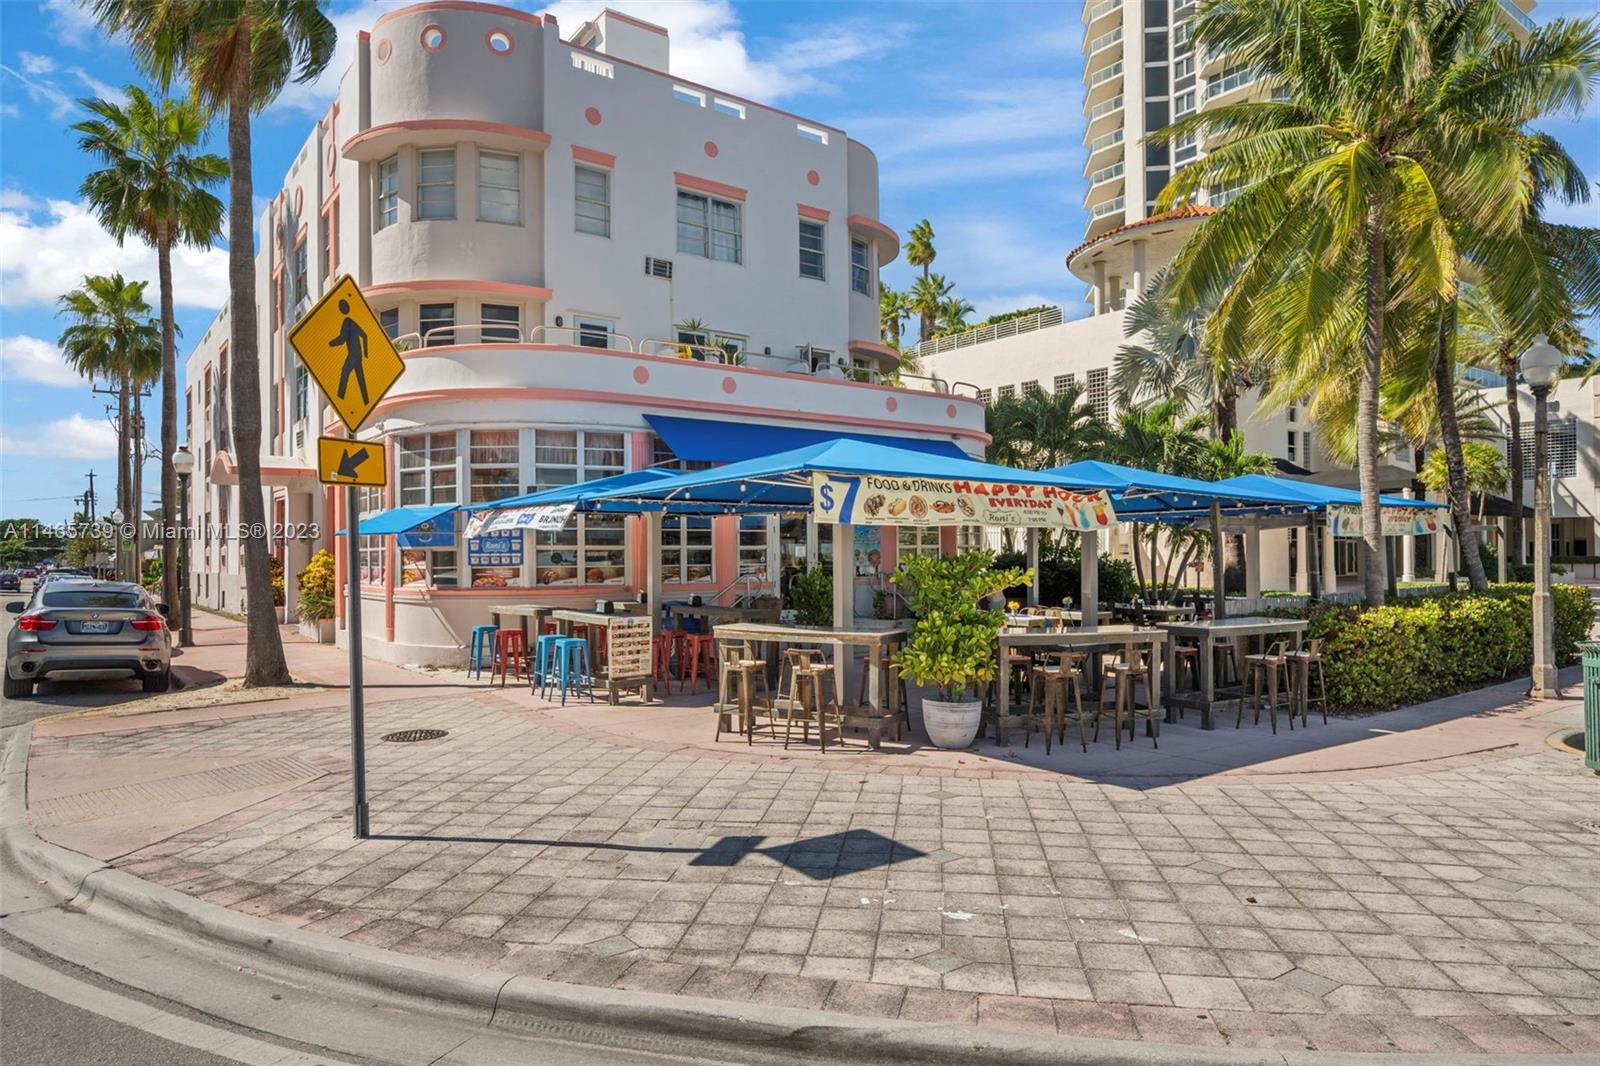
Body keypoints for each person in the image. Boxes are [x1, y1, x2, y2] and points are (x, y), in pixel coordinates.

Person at [331, 298, 369, 405]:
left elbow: (342, 339)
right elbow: (365, 336)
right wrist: (364, 354)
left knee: (344, 373)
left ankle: (340, 398)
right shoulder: (352, 322)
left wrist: (329, 344)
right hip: (358, 355)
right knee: (361, 380)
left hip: (353, 355)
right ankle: (366, 401)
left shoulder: (347, 322)